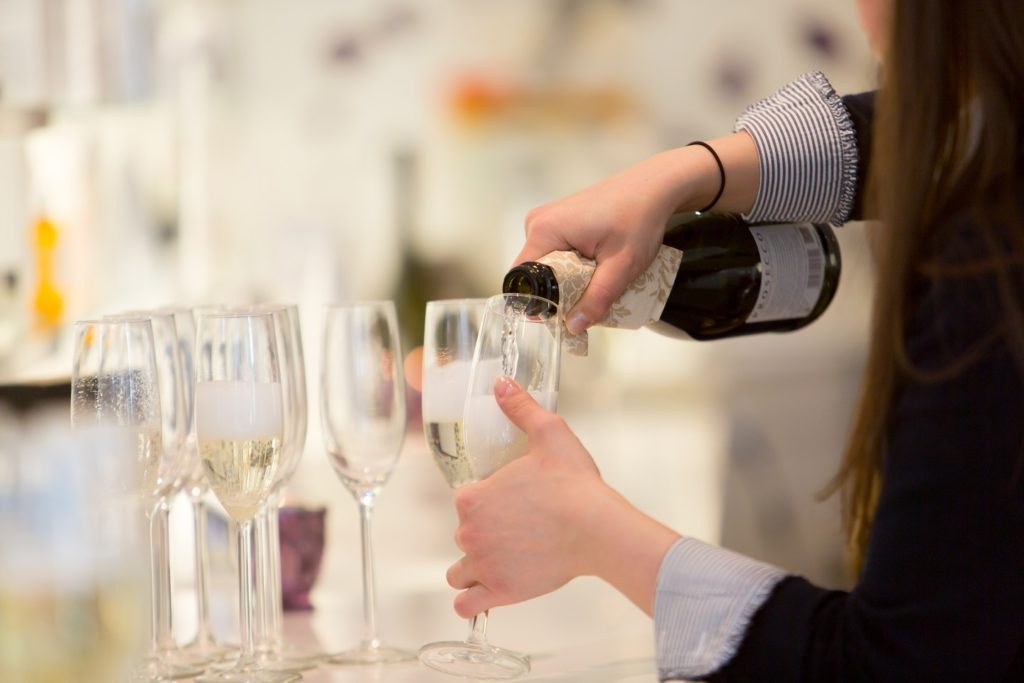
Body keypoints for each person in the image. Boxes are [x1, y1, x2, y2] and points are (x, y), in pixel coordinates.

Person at [444, 1, 1024, 680]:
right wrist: (682, 174)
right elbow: (927, 132)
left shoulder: (986, 271)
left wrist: (593, 532)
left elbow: (895, 664)